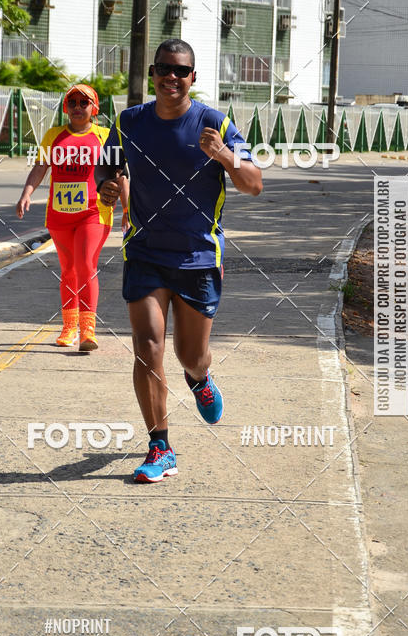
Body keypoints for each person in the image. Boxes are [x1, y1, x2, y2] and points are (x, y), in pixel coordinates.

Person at [96, 39, 262, 483]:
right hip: (145, 251)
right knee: (147, 347)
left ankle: (200, 378)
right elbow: (108, 166)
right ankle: (160, 446)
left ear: (194, 77)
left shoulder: (215, 123)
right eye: (164, 68)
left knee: (190, 355)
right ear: (152, 73)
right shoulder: (129, 122)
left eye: (181, 71)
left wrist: (223, 155)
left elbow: (254, 183)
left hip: (197, 257)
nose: (172, 77)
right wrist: (106, 187)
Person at [17, 83, 128, 351]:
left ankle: (88, 330)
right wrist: (26, 193)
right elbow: (41, 166)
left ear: (94, 108)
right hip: (60, 215)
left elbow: (120, 174)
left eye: (84, 102)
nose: (78, 107)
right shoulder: (54, 135)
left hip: (94, 212)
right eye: (72, 103)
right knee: (68, 270)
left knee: (85, 265)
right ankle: (69, 326)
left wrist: (127, 210)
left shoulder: (105, 136)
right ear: (66, 107)